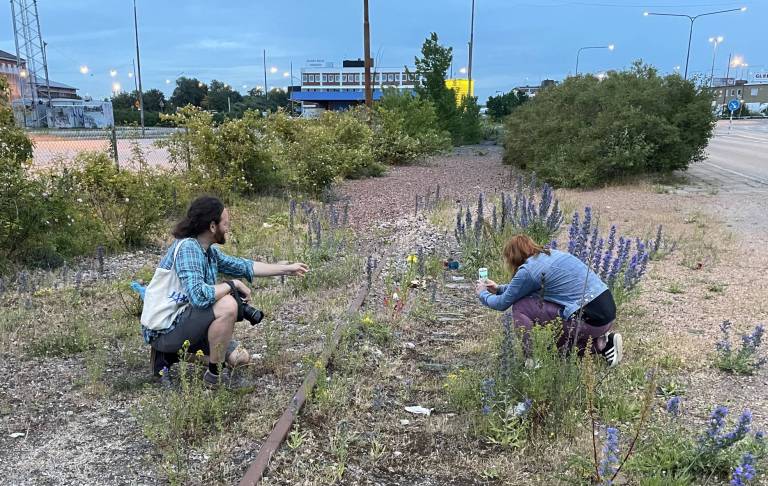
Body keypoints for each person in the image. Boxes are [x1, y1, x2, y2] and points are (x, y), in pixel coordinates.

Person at [141, 195, 309, 386]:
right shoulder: (188, 248)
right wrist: (232, 285)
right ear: (213, 226)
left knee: (240, 358)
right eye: (226, 224)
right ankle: (214, 376)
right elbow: (198, 296)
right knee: (228, 304)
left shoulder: (208, 251)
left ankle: (169, 357)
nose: (228, 229)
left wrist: (287, 269)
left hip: (188, 325)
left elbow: (244, 266)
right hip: (165, 329)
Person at [475, 234, 622, 367]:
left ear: (512, 257)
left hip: (589, 321)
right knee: (557, 352)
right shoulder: (552, 254)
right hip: (606, 314)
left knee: (521, 306)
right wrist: (498, 288)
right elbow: (523, 289)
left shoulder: (527, 271)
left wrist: (483, 294)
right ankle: (603, 344)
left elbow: (502, 304)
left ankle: (531, 361)